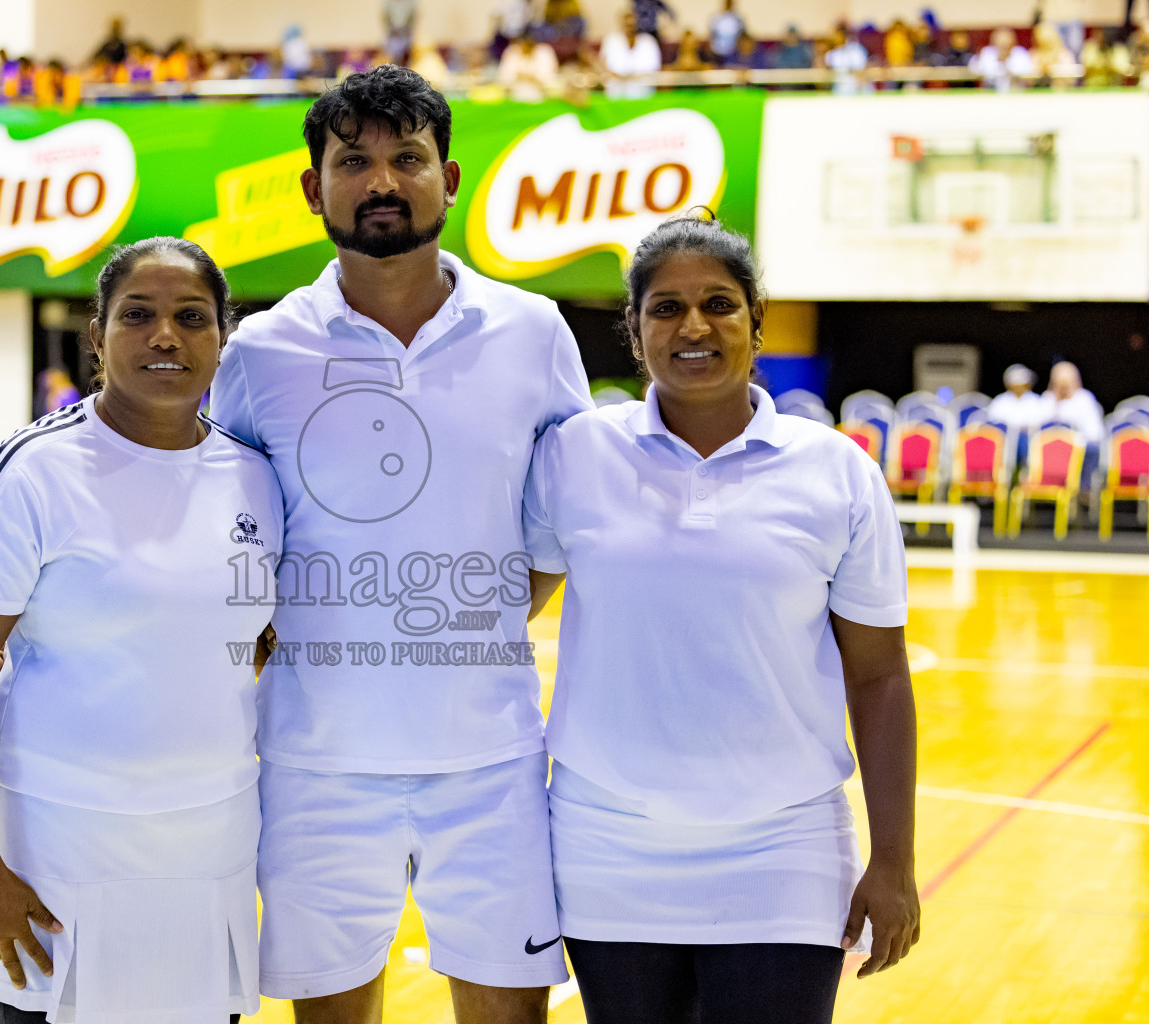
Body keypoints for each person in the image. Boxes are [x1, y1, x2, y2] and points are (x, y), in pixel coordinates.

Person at [208, 65, 592, 1024]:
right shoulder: (260, 352)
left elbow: (566, 520)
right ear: (314, 187)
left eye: (407, 159)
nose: (382, 182)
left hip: (490, 758)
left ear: (450, 178)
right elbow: (229, 532)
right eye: (355, 162)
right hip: (314, 761)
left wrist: (471, 624)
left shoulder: (533, 331)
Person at [522, 214, 920, 1024]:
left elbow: (878, 678)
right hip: (609, 845)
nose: (693, 325)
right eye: (665, 308)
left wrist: (896, 861)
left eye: (719, 303)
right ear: (634, 333)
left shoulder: (836, 472)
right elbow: (498, 612)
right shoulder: (574, 456)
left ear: (756, 321)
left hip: (786, 850)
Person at [0, 237, 281, 1024]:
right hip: (61, 848)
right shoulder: (29, 470)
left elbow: (254, 633)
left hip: (210, 848)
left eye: (192, 318)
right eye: (138, 316)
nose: (166, 336)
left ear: (224, 338)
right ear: (98, 337)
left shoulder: (257, 475)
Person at [1040, 361, 1104, 485]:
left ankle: (1084, 494)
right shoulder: (1047, 399)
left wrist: (1070, 440)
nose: (1063, 387)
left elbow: (1095, 433)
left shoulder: (1084, 399)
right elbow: (1037, 428)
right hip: (1049, 452)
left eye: (1066, 383)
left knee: (1093, 450)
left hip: (1077, 450)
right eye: (1059, 383)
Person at [602, 11, 662, 97]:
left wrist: (631, 78)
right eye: (627, 24)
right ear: (621, 24)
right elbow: (604, 66)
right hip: (615, 92)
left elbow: (654, 70)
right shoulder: (611, 40)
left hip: (643, 92)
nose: (629, 28)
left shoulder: (648, 41)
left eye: (632, 24)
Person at [499, 33, 562, 100]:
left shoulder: (544, 52)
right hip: (515, 93)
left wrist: (531, 76)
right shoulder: (512, 51)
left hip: (540, 93)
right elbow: (504, 77)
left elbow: (549, 77)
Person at [987, 364, 1044, 434]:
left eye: (1022, 384)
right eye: (1016, 385)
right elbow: (993, 422)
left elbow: (1041, 423)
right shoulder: (1000, 401)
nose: (1019, 388)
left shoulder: (1035, 400)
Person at [708, 0, 746, 64]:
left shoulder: (738, 18)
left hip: (734, 53)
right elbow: (711, 35)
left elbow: (743, 35)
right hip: (717, 52)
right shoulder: (716, 17)